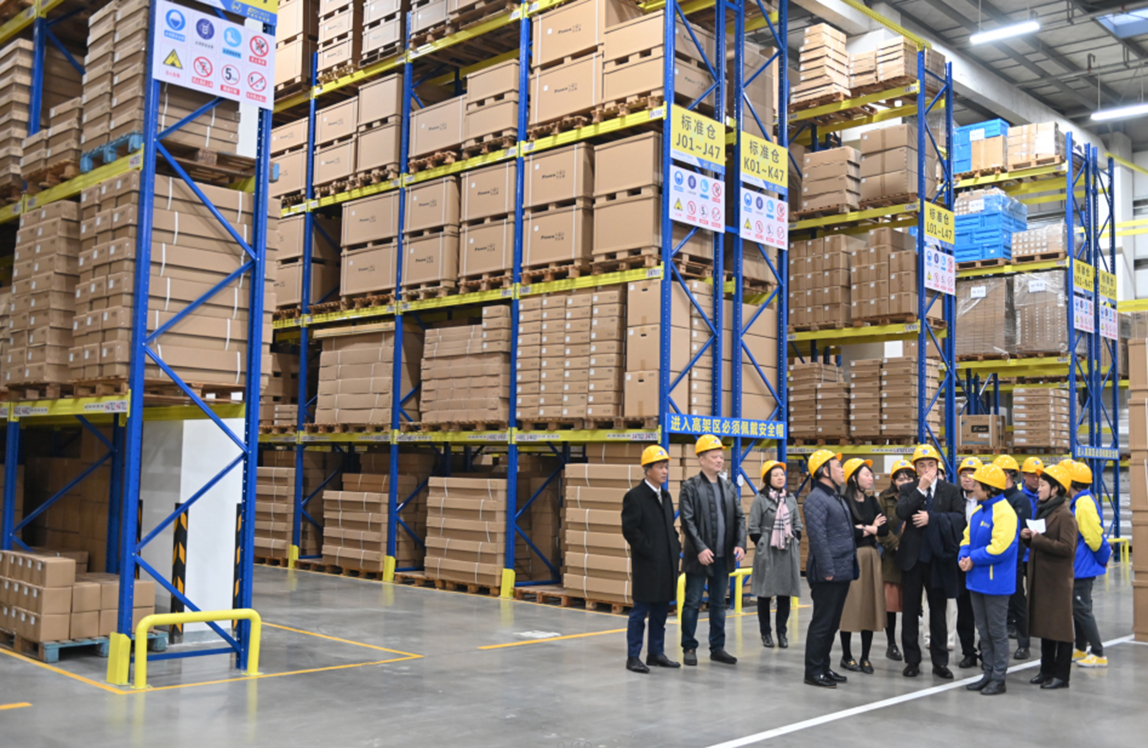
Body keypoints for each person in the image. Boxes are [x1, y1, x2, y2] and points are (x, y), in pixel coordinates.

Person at [896, 444, 966, 679]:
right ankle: (912, 660)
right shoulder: (908, 489)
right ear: (916, 469)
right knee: (910, 611)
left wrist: (932, 518)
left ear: (938, 466)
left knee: (938, 610)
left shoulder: (951, 490)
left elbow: (959, 519)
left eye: (931, 465)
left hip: (938, 559)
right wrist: (920, 490)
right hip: (912, 559)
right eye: (922, 465)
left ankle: (940, 661)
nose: (927, 469)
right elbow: (901, 512)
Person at [679, 434, 746, 667]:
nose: (719, 460)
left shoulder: (728, 487)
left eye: (721, 456)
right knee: (692, 602)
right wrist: (700, 548)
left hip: (722, 557)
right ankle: (689, 647)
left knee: (719, 604)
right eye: (714, 456)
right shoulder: (690, 487)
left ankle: (718, 648)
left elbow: (739, 518)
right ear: (701, 459)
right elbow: (687, 521)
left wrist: (740, 543)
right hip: (699, 557)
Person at [621, 445, 683, 673]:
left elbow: (669, 527)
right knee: (640, 612)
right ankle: (633, 656)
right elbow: (630, 530)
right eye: (660, 467)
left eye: (666, 467)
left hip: (666, 564)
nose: (665, 471)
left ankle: (656, 653)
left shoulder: (665, 496)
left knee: (660, 612)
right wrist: (650, 551)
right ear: (648, 470)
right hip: (647, 565)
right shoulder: (635, 497)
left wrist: (675, 547)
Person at [959, 463, 1019, 696]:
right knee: (983, 631)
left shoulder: (1005, 513)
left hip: (996, 583)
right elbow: (966, 538)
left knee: (997, 631)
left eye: (977, 484)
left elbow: (1000, 548)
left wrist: (972, 558)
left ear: (989, 488)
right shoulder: (978, 512)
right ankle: (988, 673)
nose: (972, 487)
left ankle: (999, 677)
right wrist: (963, 556)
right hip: (977, 580)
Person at [802, 450, 858, 688]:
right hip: (829, 572)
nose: (842, 470)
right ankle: (813, 671)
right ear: (825, 471)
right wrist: (827, 570)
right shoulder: (816, 499)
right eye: (838, 466)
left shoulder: (835, 497)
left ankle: (824, 667)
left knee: (832, 623)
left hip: (841, 569)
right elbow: (818, 539)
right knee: (822, 623)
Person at [1022, 462, 1079, 690]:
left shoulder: (1065, 515)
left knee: (1061, 629)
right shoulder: (1043, 510)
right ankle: (1046, 670)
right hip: (1043, 578)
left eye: (1043, 485)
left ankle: (1061, 675)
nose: (1039, 489)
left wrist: (1037, 539)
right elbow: (1041, 542)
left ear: (1055, 489)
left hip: (1057, 581)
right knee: (1046, 626)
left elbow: (1067, 548)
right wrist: (1028, 538)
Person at [838, 459, 888, 674]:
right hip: (852, 557)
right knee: (849, 607)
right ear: (853, 478)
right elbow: (847, 531)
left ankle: (865, 657)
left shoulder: (873, 502)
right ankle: (846, 655)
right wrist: (871, 528)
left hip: (871, 557)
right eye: (866, 474)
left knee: (869, 606)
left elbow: (884, 530)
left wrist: (864, 528)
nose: (870, 478)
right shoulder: (843, 502)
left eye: (870, 474)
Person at [748, 460, 803, 649]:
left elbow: (798, 523)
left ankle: (782, 632)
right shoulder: (760, 499)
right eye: (776, 475)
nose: (780, 478)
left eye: (782, 474)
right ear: (767, 478)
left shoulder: (790, 498)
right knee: (764, 594)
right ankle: (765, 633)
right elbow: (753, 526)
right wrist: (762, 542)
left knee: (784, 593)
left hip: (787, 550)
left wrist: (795, 536)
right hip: (768, 550)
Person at [1067, 460, 1110, 668]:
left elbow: (1094, 537)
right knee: (1079, 608)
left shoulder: (1083, 503)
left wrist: (1103, 557)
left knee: (1082, 609)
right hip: (1080, 564)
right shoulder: (1081, 500)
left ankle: (1098, 653)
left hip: (1082, 566)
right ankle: (1081, 648)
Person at [994, 454, 1033, 660]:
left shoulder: (1020, 500)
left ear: (1008, 475)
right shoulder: (994, 497)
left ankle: (1024, 644)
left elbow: (1020, 532)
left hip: (1013, 559)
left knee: (1018, 601)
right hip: (995, 558)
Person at [879, 459, 915, 662]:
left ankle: (911, 644)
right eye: (900, 479)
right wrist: (896, 545)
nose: (905, 482)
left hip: (915, 558)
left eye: (909, 478)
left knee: (912, 605)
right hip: (892, 559)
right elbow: (881, 528)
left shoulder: (920, 496)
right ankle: (891, 643)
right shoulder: (884, 499)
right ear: (893, 481)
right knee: (891, 605)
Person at [953, 456, 983, 670]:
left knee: (984, 611)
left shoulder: (988, 503)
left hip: (983, 562)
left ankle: (985, 651)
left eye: (972, 475)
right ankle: (968, 652)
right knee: (964, 612)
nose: (967, 478)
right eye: (964, 475)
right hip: (961, 562)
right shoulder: (955, 499)